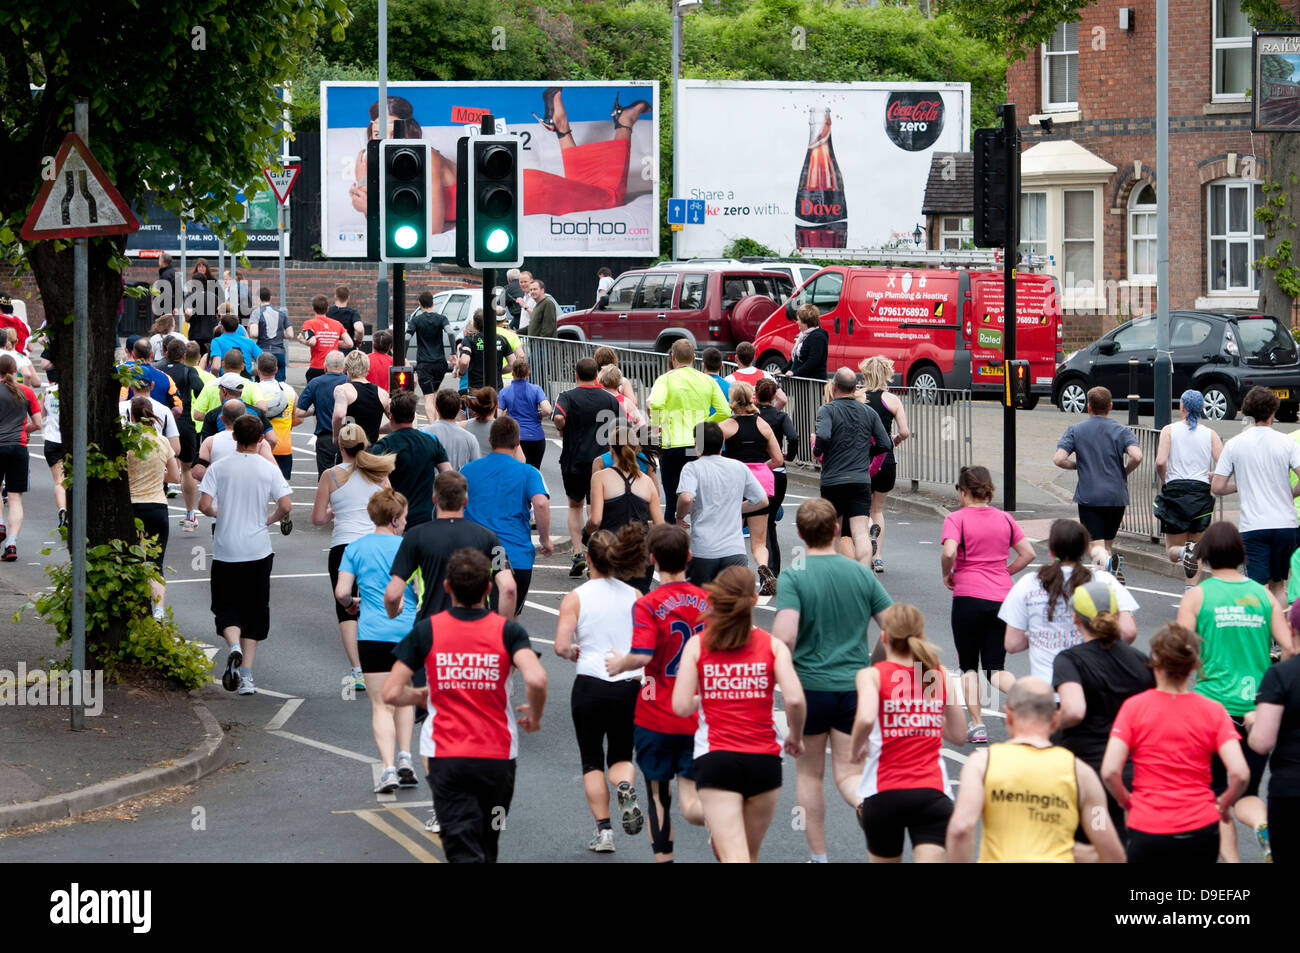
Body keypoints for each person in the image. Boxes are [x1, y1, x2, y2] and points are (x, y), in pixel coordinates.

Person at [382, 548, 547, 863]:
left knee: (460, 845)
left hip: (447, 756)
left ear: (446, 587)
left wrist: (419, 695)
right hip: (497, 756)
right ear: (488, 589)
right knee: (487, 841)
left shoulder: (427, 630)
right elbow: (537, 679)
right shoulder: (508, 631)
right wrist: (535, 716)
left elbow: (390, 693)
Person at [772, 497, 894, 863]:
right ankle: (864, 805)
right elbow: (893, 631)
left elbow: (785, 636)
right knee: (850, 771)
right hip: (854, 687)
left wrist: (780, 668)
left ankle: (819, 856)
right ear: (837, 529)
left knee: (809, 776)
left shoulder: (795, 575)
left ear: (798, 532)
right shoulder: (860, 573)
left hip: (810, 688)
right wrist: (872, 666)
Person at [1175, 519, 1294, 862]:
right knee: (1247, 790)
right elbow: (1288, 646)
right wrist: (1273, 685)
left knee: (1214, 792)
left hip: (1212, 708)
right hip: (1257, 708)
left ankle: (1232, 862)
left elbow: (1180, 652)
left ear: (1207, 554)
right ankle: (1261, 826)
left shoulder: (1198, 596)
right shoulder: (1261, 594)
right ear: (1240, 553)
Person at [671, 565, 806, 863]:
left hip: (717, 757)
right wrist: (795, 737)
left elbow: (680, 706)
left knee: (734, 856)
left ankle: (713, 819)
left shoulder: (698, 645)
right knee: (748, 854)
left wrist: (708, 698)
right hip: (764, 760)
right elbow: (795, 699)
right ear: (754, 601)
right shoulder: (773, 646)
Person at [1101, 623, 1251, 863]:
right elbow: (1241, 773)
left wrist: (1128, 802)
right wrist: (1224, 803)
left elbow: (1109, 771)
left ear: (1155, 661)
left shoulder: (1134, 707)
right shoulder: (1213, 711)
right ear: (1193, 665)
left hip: (1148, 823)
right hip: (1201, 825)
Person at [604, 524, 710, 863]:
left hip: (656, 714)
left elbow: (643, 655)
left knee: (658, 796)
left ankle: (665, 859)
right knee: (693, 796)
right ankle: (724, 816)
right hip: (697, 712)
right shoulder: (709, 602)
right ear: (689, 557)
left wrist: (621, 664)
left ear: (652, 560)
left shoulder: (648, 604)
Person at [948, 676, 1125, 863]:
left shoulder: (983, 763)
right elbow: (1107, 844)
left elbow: (961, 827)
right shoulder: (1080, 773)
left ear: (1008, 715)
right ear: (1056, 720)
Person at [554, 525, 650, 852]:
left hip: (589, 685)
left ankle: (604, 831)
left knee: (591, 759)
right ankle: (624, 784)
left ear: (588, 559)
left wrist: (573, 653)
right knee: (622, 754)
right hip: (625, 685)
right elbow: (642, 645)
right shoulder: (635, 596)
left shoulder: (576, 598)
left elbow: (561, 646)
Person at [851, 603, 967, 863]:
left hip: (883, 793)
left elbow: (867, 716)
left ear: (884, 637)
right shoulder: (934, 674)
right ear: (921, 635)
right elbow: (959, 735)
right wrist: (923, 719)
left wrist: (856, 747)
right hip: (932, 791)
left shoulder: (873, 675)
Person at [1052, 578, 1155, 852]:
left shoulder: (1070, 660)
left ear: (1075, 619)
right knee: (1122, 841)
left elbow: (1073, 710)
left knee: (1087, 843)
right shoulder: (1141, 660)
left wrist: (1052, 724)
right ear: (1117, 615)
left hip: (1086, 770)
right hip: (1132, 769)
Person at [197, 414, 293, 696]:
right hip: (258, 550)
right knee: (255, 610)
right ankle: (247, 676)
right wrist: (269, 519)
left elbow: (204, 505)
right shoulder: (268, 469)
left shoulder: (219, 468)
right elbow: (286, 505)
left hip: (226, 549)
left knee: (226, 607)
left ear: (234, 437)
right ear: (261, 439)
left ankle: (233, 645)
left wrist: (218, 512)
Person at [941, 465, 1035, 743]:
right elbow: (1028, 553)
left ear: (963, 491)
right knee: (996, 668)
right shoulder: (1005, 519)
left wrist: (948, 572)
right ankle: (1031, 701)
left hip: (968, 596)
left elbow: (949, 550)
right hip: (1002, 598)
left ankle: (978, 725)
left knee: (968, 665)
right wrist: (1004, 572)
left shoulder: (956, 519)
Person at [336, 488, 420, 792]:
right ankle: (406, 758)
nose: (407, 522)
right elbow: (416, 592)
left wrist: (352, 603)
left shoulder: (355, 548)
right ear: (396, 519)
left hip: (371, 632)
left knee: (381, 704)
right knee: (405, 697)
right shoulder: (409, 548)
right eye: (406, 517)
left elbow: (341, 592)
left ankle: (387, 770)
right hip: (408, 631)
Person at [1001, 518, 1138, 688]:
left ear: (1051, 550)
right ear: (1084, 550)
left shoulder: (1029, 582)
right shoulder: (1103, 580)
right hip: (1095, 684)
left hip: (1048, 687)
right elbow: (1128, 632)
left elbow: (1012, 644)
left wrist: (1040, 634)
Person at [313, 423, 395, 693]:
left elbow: (318, 518)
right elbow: (392, 512)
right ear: (366, 443)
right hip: (375, 545)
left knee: (346, 609)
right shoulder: (380, 474)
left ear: (339, 446)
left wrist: (334, 514)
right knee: (378, 602)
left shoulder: (330, 476)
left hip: (343, 546)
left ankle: (357, 670)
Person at [386, 471, 518, 623]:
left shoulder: (415, 536)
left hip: (432, 627)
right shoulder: (489, 538)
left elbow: (392, 594)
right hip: (477, 628)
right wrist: (504, 629)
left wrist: (392, 613)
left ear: (434, 499)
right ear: (466, 500)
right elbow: (509, 588)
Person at [1212, 386, 1300, 602]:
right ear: (1273, 411)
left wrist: (1241, 485)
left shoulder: (1234, 445)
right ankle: (1279, 634)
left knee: (1258, 587)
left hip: (1254, 526)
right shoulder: (1288, 442)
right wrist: (1291, 494)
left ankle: (1262, 633)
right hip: (1286, 524)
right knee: (1278, 583)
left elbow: (1217, 487)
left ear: (1248, 411)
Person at [1053, 385, 1142, 582]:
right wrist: (1125, 471)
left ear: (1088, 407)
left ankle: (1107, 571)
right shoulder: (1121, 430)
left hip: (1089, 496)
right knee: (1107, 545)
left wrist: (1076, 466)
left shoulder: (1076, 430)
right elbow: (1137, 456)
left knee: (1095, 546)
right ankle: (1109, 582)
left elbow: (1058, 459)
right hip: (1116, 496)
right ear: (1110, 406)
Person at [463, 416, 553, 609]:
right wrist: (545, 539)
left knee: (472, 620)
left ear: (490, 440)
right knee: (508, 626)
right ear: (518, 441)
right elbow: (541, 503)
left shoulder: (468, 470)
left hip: (475, 555)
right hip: (515, 555)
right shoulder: (529, 472)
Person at [648, 338, 731, 523]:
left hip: (672, 443)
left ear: (672, 356)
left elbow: (655, 404)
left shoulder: (665, 379)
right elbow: (725, 411)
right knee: (700, 497)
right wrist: (703, 424)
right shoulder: (707, 380)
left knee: (672, 497)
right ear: (694, 357)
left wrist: (658, 426)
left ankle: (671, 542)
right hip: (698, 442)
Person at [815, 367, 892, 564]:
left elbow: (823, 435)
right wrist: (866, 451)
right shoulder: (869, 412)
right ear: (856, 387)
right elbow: (885, 443)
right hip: (860, 479)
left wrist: (818, 451)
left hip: (833, 480)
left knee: (835, 530)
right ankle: (864, 575)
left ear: (834, 387)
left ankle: (838, 576)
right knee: (859, 532)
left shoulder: (827, 410)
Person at [676, 422, 769, 585]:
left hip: (704, 550)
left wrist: (679, 516)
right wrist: (736, 508)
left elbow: (686, 498)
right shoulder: (739, 467)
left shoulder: (692, 468)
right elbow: (762, 500)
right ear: (722, 444)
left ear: (697, 444)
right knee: (733, 606)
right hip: (735, 550)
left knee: (702, 604)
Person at [554, 357, 622, 576]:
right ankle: (597, 553)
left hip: (574, 460)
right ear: (597, 376)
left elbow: (557, 417)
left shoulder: (567, 396)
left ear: (576, 374)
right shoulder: (610, 399)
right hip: (603, 461)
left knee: (575, 505)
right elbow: (622, 427)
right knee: (597, 509)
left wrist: (561, 426)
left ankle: (577, 552)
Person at [1247, 598, 1300, 863]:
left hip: (1291, 789)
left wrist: (1252, 721)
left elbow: (1261, 743)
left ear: (1292, 630)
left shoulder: (1281, 675)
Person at [719, 382, 784, 594]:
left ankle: (734, 579)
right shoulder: (763, 425)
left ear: (732, 401)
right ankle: (764, 569)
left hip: (735, 482)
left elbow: (713, 457)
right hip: (761, 484)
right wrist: (760, 467)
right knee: (759, 541)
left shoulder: (725, 426)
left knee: (731, 535)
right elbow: (778, 459)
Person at [1155, 389, 1222, 583]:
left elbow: (1160, 462)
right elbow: (1225, 464)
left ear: (1182, 406)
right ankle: (1190, 591)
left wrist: (1164, 480)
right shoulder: (1211, 434)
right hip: (1200, 493)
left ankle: (1183, 550)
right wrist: (1213, 475)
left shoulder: (1169, 430)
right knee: (1197, 550)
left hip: (1175, 491)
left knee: (1172, 551)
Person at [587, 426, 662, 594]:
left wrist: (587, 531)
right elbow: (660, 524)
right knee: (639, 600)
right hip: (641, 550)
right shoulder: (646, 482)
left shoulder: (601, 477)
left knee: (609, 600)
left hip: (611, 549)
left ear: (612, 449)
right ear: (635, 448)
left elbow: (596, 520)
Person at [125, 397, 180, 619]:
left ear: (132, 416)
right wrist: (158, 476)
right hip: (157, 505)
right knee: (156, 564)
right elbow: (175, 476)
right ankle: (158, 612)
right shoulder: (162, 441)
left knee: (132, 560)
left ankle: (137, 610)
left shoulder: (127, 441)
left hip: (132, 506)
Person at [858, 355, 910, 574]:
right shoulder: (893, 400)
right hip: (886, 458)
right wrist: (894, 441)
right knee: (878, 508)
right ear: (887, 373)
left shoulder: (858, 397)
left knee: (861, 509)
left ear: (865, 374)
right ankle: (878, 557)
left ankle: (865, 550)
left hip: (862, 458)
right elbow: (905, 432)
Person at [370, 390, 451, 531]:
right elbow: (448, 475)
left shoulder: (382, 447)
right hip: (427, 517)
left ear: (391, 416)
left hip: (396, 518)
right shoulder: (431, 441)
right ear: (413, 417)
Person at [155, 337, 205, 530]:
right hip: (183, 421)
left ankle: (160, 513)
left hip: (161, 421)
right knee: (187, 469)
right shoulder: (188, 370)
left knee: (159, 467)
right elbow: (200, 388)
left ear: (165, 351)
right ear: (184, 355)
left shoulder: (157, 368)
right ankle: (190, 515)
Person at [0, 354, 43, 561]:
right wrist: (23, 430)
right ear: (14, 370)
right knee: (15, 497)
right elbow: (38, 423)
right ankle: (11, 543)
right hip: (19, 447)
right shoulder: (25, 392)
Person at [755, 378, 798, 576]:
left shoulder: (751, 416)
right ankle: (773, 569)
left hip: (755, 470)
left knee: (752, 521)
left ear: (756, 394)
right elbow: (794, 436)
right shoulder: (780, 416)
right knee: (769, 521)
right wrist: (789, 456)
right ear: (774, 396)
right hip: (776, 471)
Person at [193, 399, 278, 482]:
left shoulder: (210, 442)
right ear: (246, 416)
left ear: (222, 419)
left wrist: (216, 477)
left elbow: (197, 473)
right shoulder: (259, 441)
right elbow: (275, 474)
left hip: (219, 492)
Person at [295, 350, 348, 475]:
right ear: (344, 367)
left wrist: (314, 410)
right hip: (348, 435)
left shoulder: (316, 383)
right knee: (346, 475)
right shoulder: (349, 382)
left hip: (326, 437)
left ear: (325, 366)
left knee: (326, 476)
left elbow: (299, 412)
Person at [254, 352, 296, 493]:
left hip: (259, 446)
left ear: (258, 370)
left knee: (259, 488)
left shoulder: (254, 391)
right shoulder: (289, 390)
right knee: (281, 488)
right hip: (284, 446)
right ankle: (284, 512)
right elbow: (299, 418)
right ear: (276, 369)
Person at [408, 292, 452, 422]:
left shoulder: (416, 320)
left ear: (420, 304)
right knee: (435, 394)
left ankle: (433, 427)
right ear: (433, 303)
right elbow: (450, 333)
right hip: (440, 363)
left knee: (428, 397)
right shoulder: (442, 318)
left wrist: (403, 356)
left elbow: (406, 337)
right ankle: (440, 423)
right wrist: (453, 353)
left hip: (424, 363)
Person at [498, 361, 551, 469]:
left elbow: (499, 417)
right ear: (528, 373)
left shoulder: (504, 392)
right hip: (536, 437)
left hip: (515, 437)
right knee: (533, 471)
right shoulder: (536, 389)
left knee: (515, 472)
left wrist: (507, 417)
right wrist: (540, 414)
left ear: (512, 373)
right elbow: (548, 410)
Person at [332, 350, 389, 447]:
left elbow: (339, 415)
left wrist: (336, 436)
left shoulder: (343, 390)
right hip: (371, 452)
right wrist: (377, 429)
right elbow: (397, 420)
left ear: (346, 368)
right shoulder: (382, 393)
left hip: (350, 449)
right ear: (367, 367)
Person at [423, 388, 480, 471]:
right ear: (459, 408)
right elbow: (476, 469)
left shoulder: (424, 433)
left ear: (436, 407)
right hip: (459, 482)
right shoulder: (470, 438)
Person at [458, 310, 515, 392]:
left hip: (476, 390)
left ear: (474, 324)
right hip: (496, 390)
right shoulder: (501, 339)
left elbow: (464, 361)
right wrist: (498, 372)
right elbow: (513, 363)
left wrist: (461, 373)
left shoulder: (470, 338)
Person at [302, 295, 353, 384]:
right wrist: (333, 341)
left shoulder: (309, 324)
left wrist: (302, 340)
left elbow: (312, 342)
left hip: (317, 367)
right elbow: (349, 343)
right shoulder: (337, 324)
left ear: (313, 308)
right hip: (334, 368)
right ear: (327, 309)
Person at [248, 286, 293, 382]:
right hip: (279, 352)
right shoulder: (281, 313)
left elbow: (254, 333)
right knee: (280, 384)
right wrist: (279, 334)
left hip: (263, 352)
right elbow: (290, 334)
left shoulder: (256, 313)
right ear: (270, 298)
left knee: (261, 383)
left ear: (258, 298)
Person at [38, 372, 66, 528]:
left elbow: (41, 416)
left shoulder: (48, 392)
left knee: (59, 481)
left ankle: (62, 509)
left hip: (52, 439)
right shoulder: (75, 391)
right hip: (72, 441)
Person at [727, 341, 786, 409]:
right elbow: (782, 399)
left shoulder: (729, 380)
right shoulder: (766, 375)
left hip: (740, 418)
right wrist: (771, 414)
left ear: (736, 358)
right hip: (763, 417)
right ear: (754, 358)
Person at [782, 303, 828, 380]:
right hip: (801, 381)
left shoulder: (818, 336)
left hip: (812, 384)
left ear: (806, 321)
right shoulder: (803, 335)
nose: (797, 322)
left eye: (799, 319)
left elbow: (813, 361)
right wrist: (782, 370)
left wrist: (795, 372)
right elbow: (796, 358)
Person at [186, 258, 223, 356]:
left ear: (207, 268)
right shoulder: (194, 283)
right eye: (199, 266)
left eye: (203, 266)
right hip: (197, 321)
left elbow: (220, 299)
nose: (201, 268)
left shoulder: (213, 282)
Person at [207, 311, 261, 376]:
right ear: (237, 327)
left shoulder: (217, 341)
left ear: (222, 327)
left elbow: (216, 367)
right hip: (246, 382)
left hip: (226, 381)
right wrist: (250, 373)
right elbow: (264, 361)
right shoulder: (249, 342)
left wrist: (215, 378)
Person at [327, 285, 365, 355]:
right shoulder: (353, 313)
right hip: (348, 351)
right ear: (348, 297)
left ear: (335, 296)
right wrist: (359, 342)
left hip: (329, 350)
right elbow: (359, 329)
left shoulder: (327, 311)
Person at [462, 386, 499, 457]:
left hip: (472, 467)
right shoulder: (504, 429)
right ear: (496, 405)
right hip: (495, 467)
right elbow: (521, 459)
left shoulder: (464, 426)